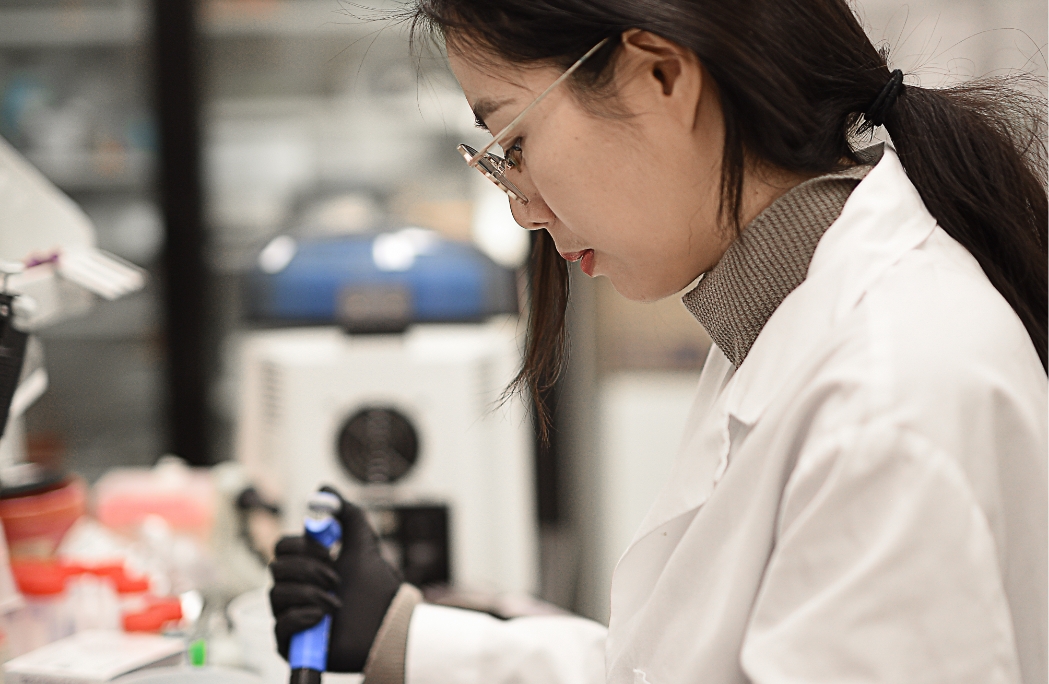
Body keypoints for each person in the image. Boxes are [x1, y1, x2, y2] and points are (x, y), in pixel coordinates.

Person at [268, 0, 1048, 682]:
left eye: (513, 140)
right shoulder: (787, 316)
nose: (520, 210)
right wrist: (401, 638)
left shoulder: (888, 398)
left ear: (661, 78)